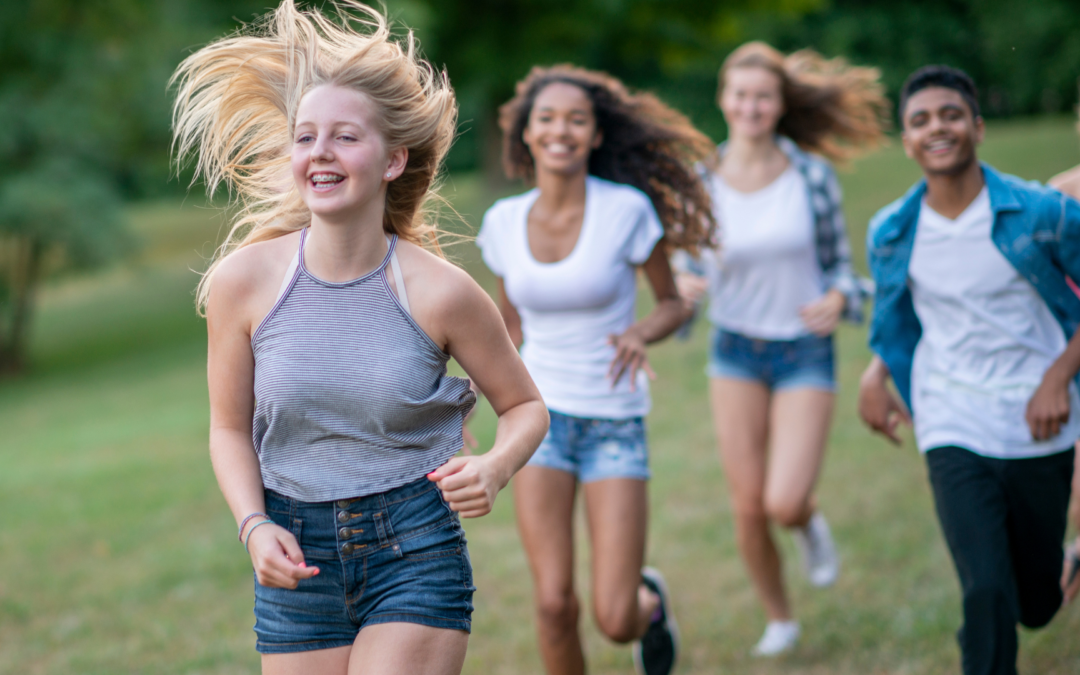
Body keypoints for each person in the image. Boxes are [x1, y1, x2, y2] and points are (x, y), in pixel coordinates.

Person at [170, 2, 549, 673]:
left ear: (393, 159)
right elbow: (228, 429)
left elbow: (525, 406)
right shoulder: (242, 283)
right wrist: (254, 525)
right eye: (305, 136)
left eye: (344, 137)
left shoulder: (442, 292)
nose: (319, 151)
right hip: (296, 549)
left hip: (415, 545)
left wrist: (494, 466)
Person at [475, 64, 716, 675]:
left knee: (614, 617)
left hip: (613, 420)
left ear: (596, 135)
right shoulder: (504, 221)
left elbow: (671, 301)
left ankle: (649, 608)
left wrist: (640, 331)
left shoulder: (628, 210)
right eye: (547, 118)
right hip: (538, 425)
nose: (561, 130)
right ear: (526, 134)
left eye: (576, 119)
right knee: (554, 603)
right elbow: (510, 328)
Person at [858, 65, 1080, 675]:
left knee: (1034, 603)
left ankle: (1065, 563)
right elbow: (897, 317)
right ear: (905, 140)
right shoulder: (892, 229)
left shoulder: (1042, 212)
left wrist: (1059, 378)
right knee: (985, 590)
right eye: (921, 120)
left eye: (951, 115)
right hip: (950, 418)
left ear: (978, 127)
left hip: (1040, 421)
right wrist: (874, 375)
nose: (938, 128)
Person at [675, 42, 887, 656]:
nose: (751, 106)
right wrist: (684, 289)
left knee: (783, 499)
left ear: (780, 103)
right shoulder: (701, 180)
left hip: (803, 349)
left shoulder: (811, 174)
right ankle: (781, 618)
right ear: (723, 100)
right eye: (740, 94)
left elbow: (842, 267)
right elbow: (687, 267)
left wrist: (842, 297)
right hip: (735, 350)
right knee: (747, 506)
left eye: (763, 96)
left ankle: (806, 522)